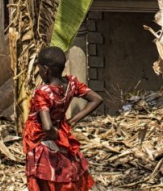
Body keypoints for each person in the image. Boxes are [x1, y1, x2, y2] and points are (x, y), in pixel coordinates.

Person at [23, 46, 103, 191]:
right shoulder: (71, 84)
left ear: (45, 69)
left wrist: (56, 140)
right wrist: (73, 120)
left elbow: (47, 126)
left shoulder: (44, 92)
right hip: (62, 134)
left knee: (47, 180)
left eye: (40, 68)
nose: (40, 72)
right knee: (67, 176)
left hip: (42, 142)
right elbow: (96, 99)